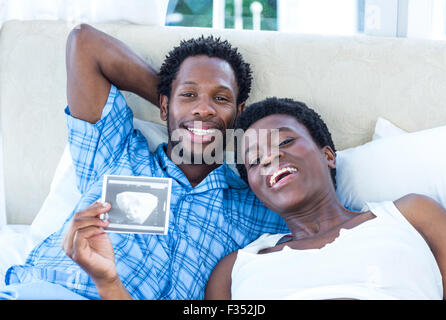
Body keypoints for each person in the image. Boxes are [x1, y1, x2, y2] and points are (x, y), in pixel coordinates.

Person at [2, 24, 288, 300]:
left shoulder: (257, 203)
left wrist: (191, 108)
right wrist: (181, 108)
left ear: (238, 112)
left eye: (221, 98)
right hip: (50, 290)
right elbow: (84, 43)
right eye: (189, 95)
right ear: (163, 105)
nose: (203, 107)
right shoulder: (118, 151)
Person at [205, 97, 446, 300]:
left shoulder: (412, 215)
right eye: (255, 160)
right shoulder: (232, 271)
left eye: (285, 141)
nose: (269, 158)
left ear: (328, 156)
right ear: (256, 190)